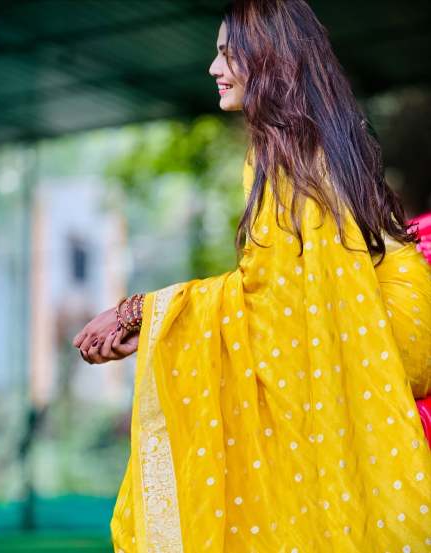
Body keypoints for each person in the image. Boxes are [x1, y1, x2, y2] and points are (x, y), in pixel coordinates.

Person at [72, 1, 431, 551]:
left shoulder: (292, 161)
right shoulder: (328, 146)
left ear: (268, 59)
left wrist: (144, 312)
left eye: (226, 54)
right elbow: (290, 297)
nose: (214, 69)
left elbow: (276, 310)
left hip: (391, 372)